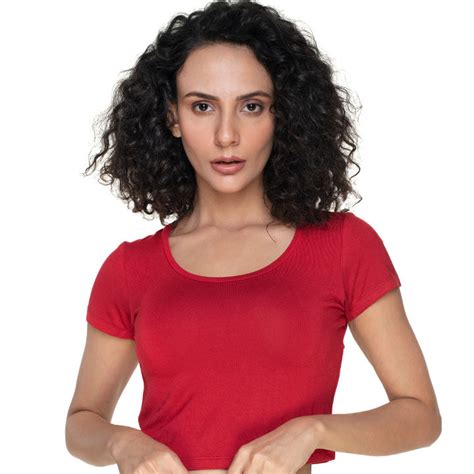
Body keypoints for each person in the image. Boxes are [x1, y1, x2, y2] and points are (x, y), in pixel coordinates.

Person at [65, 1, 442, 473]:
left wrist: (312, 431)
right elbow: (82, 423)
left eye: (251, 106)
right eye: (203, 106)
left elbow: (420, 416)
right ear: (172, 118)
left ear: (283, 115)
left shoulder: (344, 245)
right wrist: (124, 444)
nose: (227, 135)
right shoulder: (130, 268)